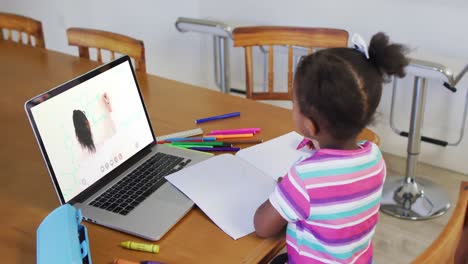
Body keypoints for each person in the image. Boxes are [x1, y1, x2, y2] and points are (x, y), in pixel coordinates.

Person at [254, 32, 409, 264]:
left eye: (293, 103)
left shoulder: (304, 177)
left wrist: (287, 192)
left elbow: (262, 227)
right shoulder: (375, 157)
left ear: (309, 124)